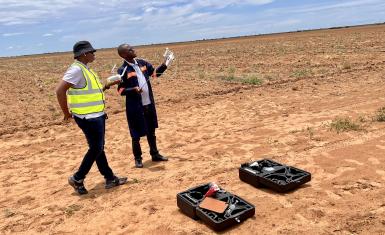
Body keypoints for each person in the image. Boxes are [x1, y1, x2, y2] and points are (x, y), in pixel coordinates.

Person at [55, 40, 127, 195]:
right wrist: (66, 114)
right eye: (91, 52)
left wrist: (107, 84)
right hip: (89, 118)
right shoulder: (76, 70)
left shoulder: (86, 69)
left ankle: (109, 178)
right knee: (96, 147)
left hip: (95, 115)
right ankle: (77, 178)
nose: (94, 54)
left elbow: (89, 91)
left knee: (98, 147)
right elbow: (60, 91)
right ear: (83, 54)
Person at [116, 43, 169, 168]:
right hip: (135, 107)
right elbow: (120, 90)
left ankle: (155, 154)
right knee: (135, 134)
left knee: (151, 131)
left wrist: (165, 64)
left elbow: (155, 74)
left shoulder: (142, 63)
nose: (134, 50)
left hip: (148, 104)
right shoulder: (122, 70)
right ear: (124, 55)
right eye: (130, 49)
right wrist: (133, 90)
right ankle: (138, 159)